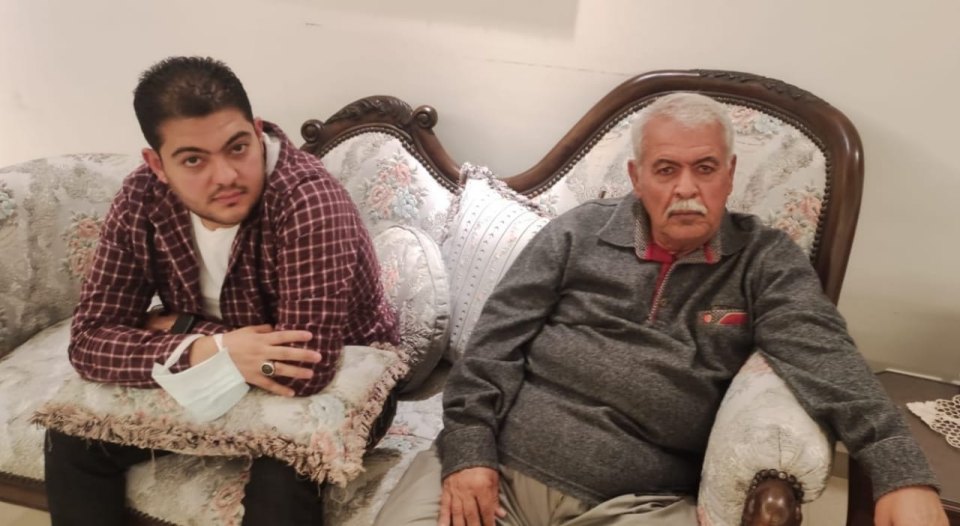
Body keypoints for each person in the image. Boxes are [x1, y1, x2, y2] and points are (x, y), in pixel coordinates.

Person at [373, 93, 947, 526]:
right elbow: (491, 348)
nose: (686, 189)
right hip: (497, 471)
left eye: (706, 168)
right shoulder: (577, 234)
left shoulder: (764, 260)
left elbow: (825, 356)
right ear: (637, 177)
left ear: (730, 174)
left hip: (635, 505)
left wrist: (900, 473)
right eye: (666, 169)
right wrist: (469, 454)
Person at [43, 56, 399, 526]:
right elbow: (89, 341)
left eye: (237, 147)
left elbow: (303, 371)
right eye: (194, 160)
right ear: (157, 164)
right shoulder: (142, 197)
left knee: (286, 472)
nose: (226, 176)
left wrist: (179, 328)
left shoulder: (309, 201)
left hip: (342, 377)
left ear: (256, 131)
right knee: (71, 441)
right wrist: (216, 348)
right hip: (226, 364)